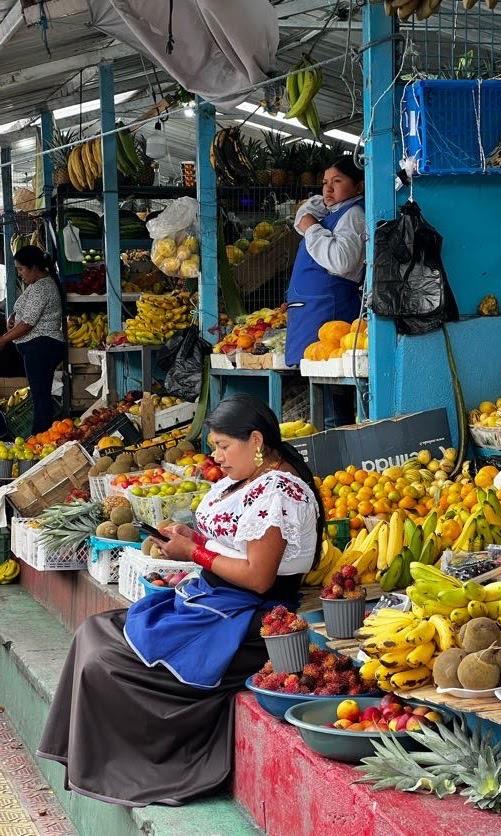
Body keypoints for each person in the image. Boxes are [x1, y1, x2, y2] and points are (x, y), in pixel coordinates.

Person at [37, 394, 323, 807]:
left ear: (256, 441)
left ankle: (133, 766)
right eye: (215, 446)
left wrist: (196, 554)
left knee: (106, 661)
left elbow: (259, 578)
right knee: (94, 632)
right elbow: (234, 546)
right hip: (213, 602)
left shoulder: (279, 492)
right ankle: (90, 761)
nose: (216, 456)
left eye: (224, 445)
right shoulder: (246, 479)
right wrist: (193, 540)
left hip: (247, 622)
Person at [285, 155, 366, 428]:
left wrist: (312, 229)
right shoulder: (334, 212)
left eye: (338, 182)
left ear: (359, 187)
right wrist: (313, 218)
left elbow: (342, 261)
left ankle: (341, 455)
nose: (328, 190)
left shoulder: (353, 215)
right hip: (316, 313)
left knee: (335, 399)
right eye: (325, 183)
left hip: (330, 313)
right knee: (326, 388)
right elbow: (302, 216)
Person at [0, 246, 64, 434]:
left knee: (40, 395)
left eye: (21, 269)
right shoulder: (37, 286)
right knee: (39, 393)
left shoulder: (43, 287)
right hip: (37, 347)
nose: (20, 274)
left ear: (34, 267)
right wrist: (13, 316)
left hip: (42, 346)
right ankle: (42, 435)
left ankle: (41, 435)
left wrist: (4, 339)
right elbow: (26, 314)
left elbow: (28, 323)